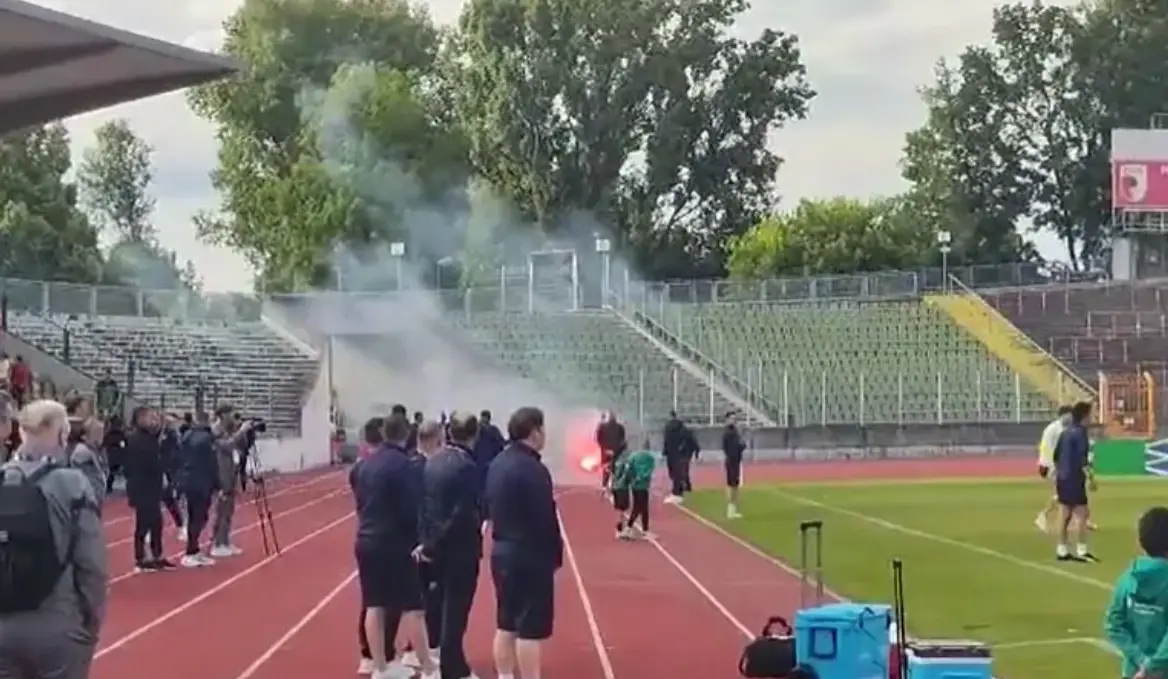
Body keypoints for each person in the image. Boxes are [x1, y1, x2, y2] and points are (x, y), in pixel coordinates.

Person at [0, 399, 107, 679]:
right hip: (57, 618)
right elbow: (91, 563)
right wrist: (91, 619)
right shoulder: (72, 483)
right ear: (62, 434)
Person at [352, 414, 437, 679]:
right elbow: (411, 507)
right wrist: (420, 540)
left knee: (374, 604)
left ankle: (379, 666)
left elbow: (360, 503)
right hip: (394, 543)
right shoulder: (405, 466)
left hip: (366, 539)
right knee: (414, 606)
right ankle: (428, 667)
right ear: (406, 434)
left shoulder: (364, 465)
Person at [485, 406, 562, 679]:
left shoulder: (497, 463)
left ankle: (505, 676)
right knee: (530, 629)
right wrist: (555, 554)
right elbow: (545, 518)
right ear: (534, 431)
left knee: (506, 623)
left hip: (502, 551)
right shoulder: (534, 469)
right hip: (530, 554)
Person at [417, 413, 484, 679]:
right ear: (474, 435)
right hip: (459, 549)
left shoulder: (433, 462)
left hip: (436, 546)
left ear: (448, 432)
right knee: (456, 610)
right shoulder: (467, 467)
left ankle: (438, 659)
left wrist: (427, 543)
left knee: (439, 604)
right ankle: (453, 668)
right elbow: (462, 514)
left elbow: (425, 507)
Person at [1105, 506, 1168, 679]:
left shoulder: (1128, 578)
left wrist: (1140, 660)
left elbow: (1114, 624)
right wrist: (1152, 667)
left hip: (1134, 671)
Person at [123, 407, 174, 571]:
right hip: (142, 487)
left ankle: (157, 555)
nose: (154, 421)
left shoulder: (150, 437)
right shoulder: (135, 438)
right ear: (140, 419)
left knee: (157, 523)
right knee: (143, 523)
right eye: (150, 418)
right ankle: (141, 558)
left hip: (153, 486)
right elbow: (148, 460)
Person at [210, 404, 255, 559]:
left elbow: (242, 446)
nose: (233, 416)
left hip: (231, 470)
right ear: (222, 415)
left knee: (229, 509)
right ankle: (218, 543)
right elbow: (227, 445)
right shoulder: (215, 430)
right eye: (230, 414)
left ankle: (225, 541)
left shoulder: (229, 430)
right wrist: (241, 431)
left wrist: (242, 431)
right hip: (221, 473)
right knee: (222, 510)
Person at [1053, 400, 1096, 563]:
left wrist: (1060, 472)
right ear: (1085, 416)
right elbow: (1082, 459)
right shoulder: (1080, 433)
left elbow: (1056, 456)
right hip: (1074, 478)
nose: (1092, 418)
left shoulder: (1065, 432)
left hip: (1062, 477)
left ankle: (1062, 550)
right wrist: (1091, 477)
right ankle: (1081, 550)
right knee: (1082, 513)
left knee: (1064, 514)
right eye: (1090, 414)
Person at [177, 411, 219, 568]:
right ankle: (191, 551)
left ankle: (193, 549)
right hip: (201, 481)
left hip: (189, 479)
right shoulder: (207, 439)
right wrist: (218, 483)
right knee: (199, 517)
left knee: (195, 515)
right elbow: (211, 463)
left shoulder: (187, 435)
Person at [1036, 405, 1072, 532]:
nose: (1071, 418)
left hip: (1054, 465)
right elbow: (1048, 448)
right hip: (1048, 465)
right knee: (1063, 493)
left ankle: (1080, 518)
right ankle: (1043, 515)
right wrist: (1054, 465)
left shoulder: (1062, 428)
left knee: (1065, 493)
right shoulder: (1054, 429)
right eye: (1070, 415)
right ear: (1064, 415)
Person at [615, 444, 656, 540]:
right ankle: (629, 528)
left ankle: (645, 530)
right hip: (643, 485)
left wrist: (632, 480)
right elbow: (649, 471)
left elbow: (628, 469)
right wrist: (641, 477)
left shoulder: (633, 456)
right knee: (639, 508)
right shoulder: (650, 458)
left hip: (635, 485)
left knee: (643, 508)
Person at [722, 411, 747, 519]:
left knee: (734, 485)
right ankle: (731, 510)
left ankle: (732, 508)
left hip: (734, 460)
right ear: (727, 419)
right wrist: (741, 446)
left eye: (735, 418)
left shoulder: (733, 431)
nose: (734, 420)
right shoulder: (729, 432)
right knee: (732, 485)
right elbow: (731, 447)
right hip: (732, 461)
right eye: (732, 418)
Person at [472, 410, 505, 485]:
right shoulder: (490, 430)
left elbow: (500, 445)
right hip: (486, 462)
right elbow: (501, 445)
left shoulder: (491, 430)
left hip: (483, 461)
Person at [595, 411, 625, 495]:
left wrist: (604, 448)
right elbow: (622, 440)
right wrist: (618, 450)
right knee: (615, 469)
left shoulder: (603, 426)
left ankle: (604, 486)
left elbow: (598, 438)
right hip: (616, 452)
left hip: (605, 451)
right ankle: (614, 486)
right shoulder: (620, 427)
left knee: (606, 469)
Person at [661, 411, 688, 504]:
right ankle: (679, 490)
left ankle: (676, 492)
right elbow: (685, 438)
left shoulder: (668, 426)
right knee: (678, 472)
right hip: (679, 452)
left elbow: (666, 440)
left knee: (673, 473)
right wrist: (682, 448)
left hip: (671, 452)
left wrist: (664, 451)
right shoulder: (682, 426)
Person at [101, 414, 126, 495]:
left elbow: (104, 445)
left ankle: (108, 487)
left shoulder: (108, 434)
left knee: (110, 472)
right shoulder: (121, 434)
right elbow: (123, 445)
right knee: (114, 471)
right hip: (118, 455)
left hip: (110, 454)